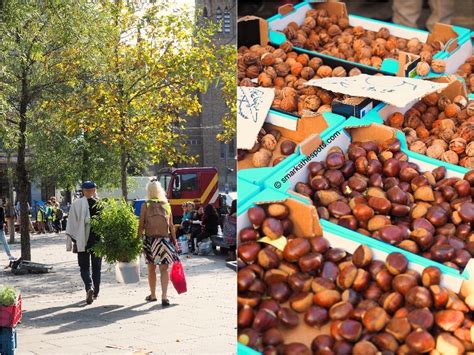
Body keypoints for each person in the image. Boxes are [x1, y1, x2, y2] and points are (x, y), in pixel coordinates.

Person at [138, 180, 179, 306]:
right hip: (164, 240)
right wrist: (175, 241)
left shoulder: (146, 205)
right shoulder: (166, 204)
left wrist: (137, 240)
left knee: (151, 268)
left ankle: (153, 295)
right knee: (164, 269)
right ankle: (165, 296)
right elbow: (171, 226)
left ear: (149, 191)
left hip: (150, 240)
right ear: (160, 190)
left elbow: (141, 225)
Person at [66, 181, 102, 305]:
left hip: (82, 240)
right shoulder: (99, 204)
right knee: (97, 267)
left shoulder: (76, 204)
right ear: (94, 190)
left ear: (83, 191)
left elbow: (71, 224)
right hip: (97, 240)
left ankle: (89, 287)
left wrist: (73, 239)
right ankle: (96, 291)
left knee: (84, 267)